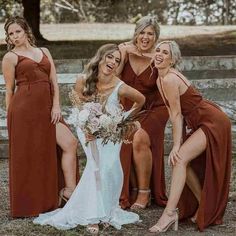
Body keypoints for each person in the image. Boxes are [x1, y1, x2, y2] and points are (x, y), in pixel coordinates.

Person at [33, 44, 145, 234]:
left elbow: (141, 100)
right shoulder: (82, 80)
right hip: (86, 130)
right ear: (100, 57)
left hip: (110, 133)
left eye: (117, 61)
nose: (112, 62)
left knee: (111, 168)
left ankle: (108, 210)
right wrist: (86, 129)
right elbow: (79, 111)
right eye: (110, 57)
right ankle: (93, 216)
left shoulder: (120, 86)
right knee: (95, 168)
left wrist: (122, 120)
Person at [149, 41, 231, 233]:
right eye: (157, 51)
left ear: (173, 60)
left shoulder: (169, 79)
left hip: (212, 120)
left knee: (179, 158)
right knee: (181, 162)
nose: (159, 54)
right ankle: (204, 206)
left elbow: (177, 115)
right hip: (200, 120)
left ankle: (169, 213)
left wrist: (176, 145)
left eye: (165, 53)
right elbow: (172, 112)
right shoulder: (160, 78)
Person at [2, 16, 78, 218]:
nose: (15, 36)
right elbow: (9, 91)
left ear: (26, 30)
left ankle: (69, 191)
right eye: (10, 34)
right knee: (32, 155)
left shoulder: (44, 52)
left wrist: (56, 106)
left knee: (70, 143)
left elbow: (54, 80)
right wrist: (11, 122)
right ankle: (32, 203)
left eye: (18, 31)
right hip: (24, 112)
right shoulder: (10, 57)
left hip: (47, 109)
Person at [117, 16, 169, 209]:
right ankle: (130, 189)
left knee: (138, 136)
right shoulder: (124, 51)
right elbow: (113, 79)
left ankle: (144, 193)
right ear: (136, 34)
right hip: (130, 109)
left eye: (150, 33)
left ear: (156, 37)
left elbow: (169, 82)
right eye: (142, 33)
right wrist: (123, 53)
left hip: (155, 108)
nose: (145, 37)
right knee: (125, 135)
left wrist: (153, 57)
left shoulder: (160, 55)